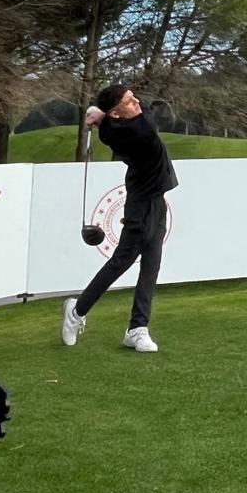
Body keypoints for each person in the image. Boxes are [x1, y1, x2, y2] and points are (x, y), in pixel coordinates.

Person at [60, 83, 179, 353]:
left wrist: (102, 115)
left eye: (133, 97)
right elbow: (148, 112)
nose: (136, 102)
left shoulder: (110, 130)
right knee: (121, 262)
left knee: (151, 265)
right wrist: (102, 114)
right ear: (116, 113)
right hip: (142, 205)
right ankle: (76, 311)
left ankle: (138, 328)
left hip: (153, 200)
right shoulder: (142, 129)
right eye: (129, 101)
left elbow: (129, 111)